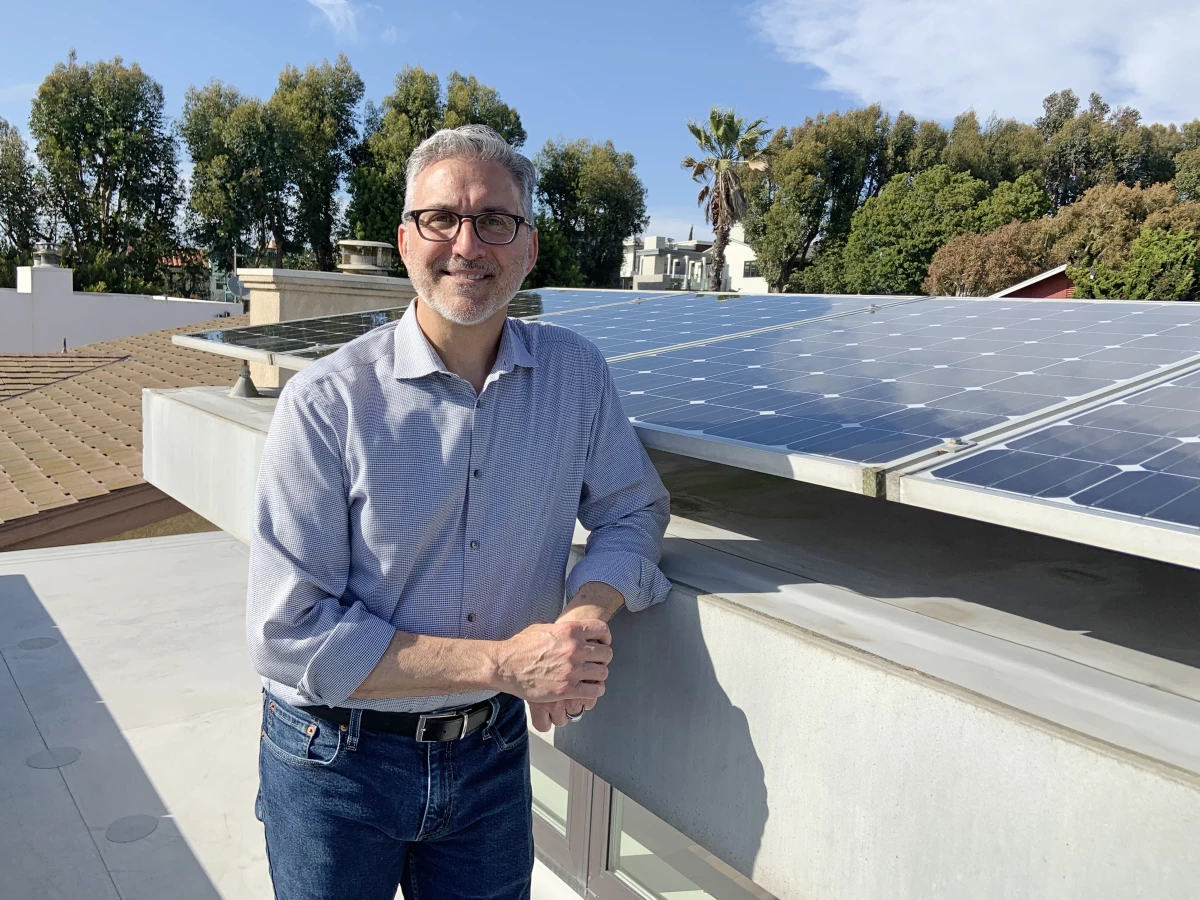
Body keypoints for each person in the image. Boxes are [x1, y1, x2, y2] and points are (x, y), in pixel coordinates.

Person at [246, 123, 671, 900]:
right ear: (407, 241)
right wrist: (510, 666)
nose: (468, 243)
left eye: (495, 221)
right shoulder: (328, 402)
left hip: (490, 755)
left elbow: (634, 511)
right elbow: (288, 632)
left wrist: (579, 620)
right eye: (442, 218)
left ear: (529, 248)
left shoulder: (575, 376)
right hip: (335, 765)